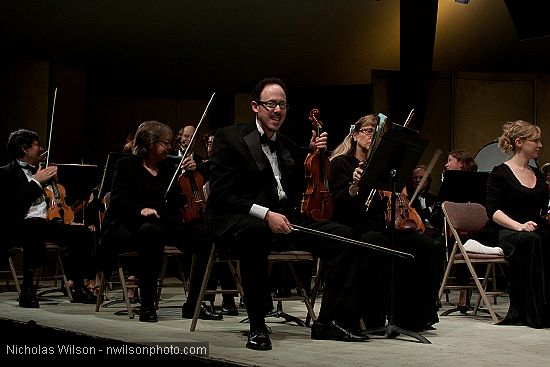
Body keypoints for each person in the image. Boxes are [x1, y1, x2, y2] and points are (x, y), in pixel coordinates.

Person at [206, 77, 368, 350]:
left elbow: (301, 188)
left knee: (343, 237)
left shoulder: (287, 146)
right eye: (271, 104)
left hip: (283, 219)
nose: (278, 110)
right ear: (256, 106)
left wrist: (315, 156)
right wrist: (266, 214)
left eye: (282, 104)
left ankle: (327, 322)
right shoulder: (229, 137)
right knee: (254, 232)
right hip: (240, 220)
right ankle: (257, 325)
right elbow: (222, 195)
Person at [100, 121, 222, 322]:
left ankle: (193, 304)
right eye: (165, 143)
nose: (170, 147)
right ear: (149, 143)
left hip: (163, 223)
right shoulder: (126, 165)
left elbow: (177, 200)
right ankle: (147, 305)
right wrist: (141, 210)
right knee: (151, 232)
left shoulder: (168, 167)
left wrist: (190, 173)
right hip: (131, 225)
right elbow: (118, 201)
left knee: (205, 239)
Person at [329, 114, 440, 332]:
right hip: (354, 225)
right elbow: (338, 203)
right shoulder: (340, 163)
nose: (373, 136)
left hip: (382, 224)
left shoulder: (384, 166)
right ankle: (373, 317)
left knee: (424, 245)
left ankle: (413, 317)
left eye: (378, 133)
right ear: (355, 135)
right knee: (376, 243)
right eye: (369, 131)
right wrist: (355, 185)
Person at [0, 129, 98, 307]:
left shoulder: (41, 171)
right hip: (20, 226)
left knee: (82, 233)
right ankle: (28, 288)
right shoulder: (5, 174)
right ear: (24, 149)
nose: (42, 148)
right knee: (34, 226)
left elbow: (58, 198)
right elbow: (14, 206)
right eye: (37, 145)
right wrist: (36, 181)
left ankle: (79, 286)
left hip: (47, 222)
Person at [485, 120, 550, 328]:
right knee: (529, 241)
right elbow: (493, 211)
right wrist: (518, 226)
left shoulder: (537, 173)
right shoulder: (500, 173)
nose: (540, 145)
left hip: (532, 228)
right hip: (506, 230)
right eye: (536, 140)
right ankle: (534, 311)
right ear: (520, 142)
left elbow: (541, 210)